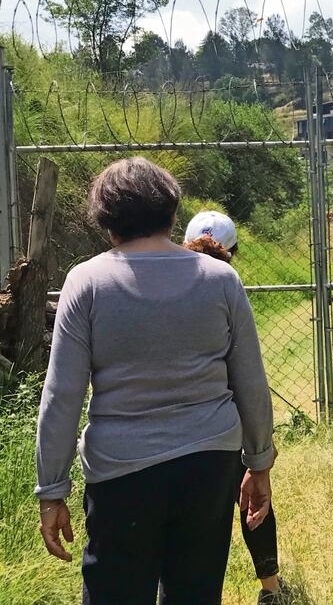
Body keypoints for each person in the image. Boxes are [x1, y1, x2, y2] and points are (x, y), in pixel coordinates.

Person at [35, 157, 275, 605]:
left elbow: (61, 396)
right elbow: (251, 383)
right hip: (210, 464)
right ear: (171, 212)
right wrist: (258, 462)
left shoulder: (86, 282)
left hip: (121, 473)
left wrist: (52, 489)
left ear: (106, 219)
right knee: (195, 592)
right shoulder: (222, 279)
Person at [183, 211, 293, 605]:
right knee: (254, 500)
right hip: (229, 418)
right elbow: (247, 371)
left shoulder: (165, 287)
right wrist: (260, 448)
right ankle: (271, 587)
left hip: (183, 423)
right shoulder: (229, 284)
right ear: (235, 251)